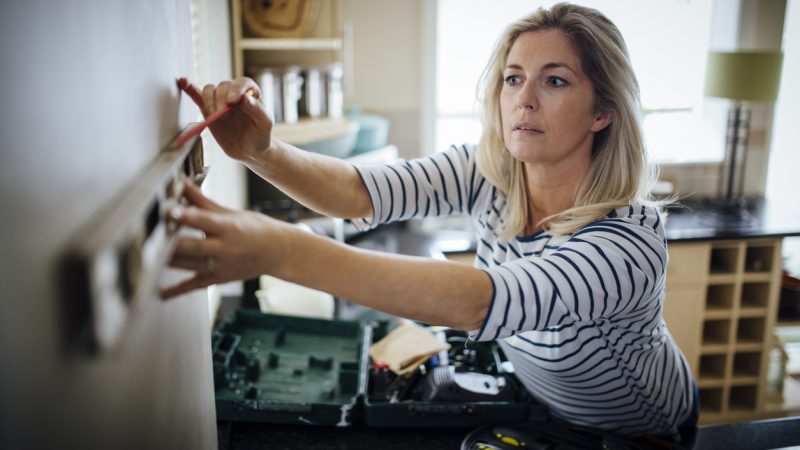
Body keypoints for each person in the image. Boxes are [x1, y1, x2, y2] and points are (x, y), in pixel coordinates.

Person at [165, 2, 696, 440]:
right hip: (539, 404)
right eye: (514, 79)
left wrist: (281, 251)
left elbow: (481, 301)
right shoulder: (490, 170)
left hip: (637, 432)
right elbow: (358, 191)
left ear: (602, 111)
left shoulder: (627, 240)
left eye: (554, 81)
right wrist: (262, 152)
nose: (524, 99)